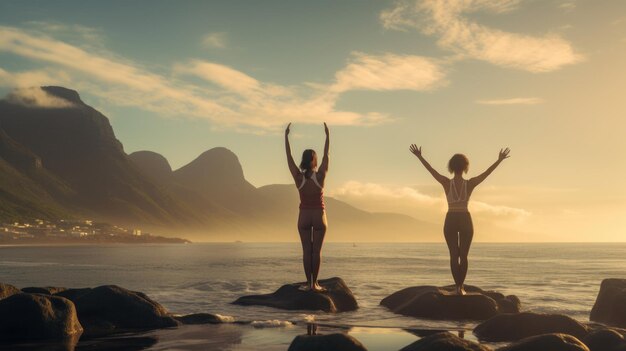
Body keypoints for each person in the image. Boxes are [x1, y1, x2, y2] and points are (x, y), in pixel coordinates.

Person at [409, 145, 510, 295]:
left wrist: (419, 156)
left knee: (453, 255)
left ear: (451, 167)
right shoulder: (470, 183)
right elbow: (487, 173)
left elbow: (431, 171)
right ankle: (460, 287)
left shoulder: (445, 182)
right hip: (465, 219)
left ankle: (457, 286)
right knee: (463, 255)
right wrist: (499, 160)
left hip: (450, 218)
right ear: (465, 167)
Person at [285, 122, 330, 292]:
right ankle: (315, 284)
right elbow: (327, 154)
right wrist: (327, 135)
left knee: (306, 251)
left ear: (303, 161)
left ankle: (307, 283)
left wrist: (286, 136)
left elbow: (288, 156)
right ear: (314, 160)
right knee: (316, 251)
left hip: (303, 215)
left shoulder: (298, 177)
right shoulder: (321, 175)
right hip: (319, 215)